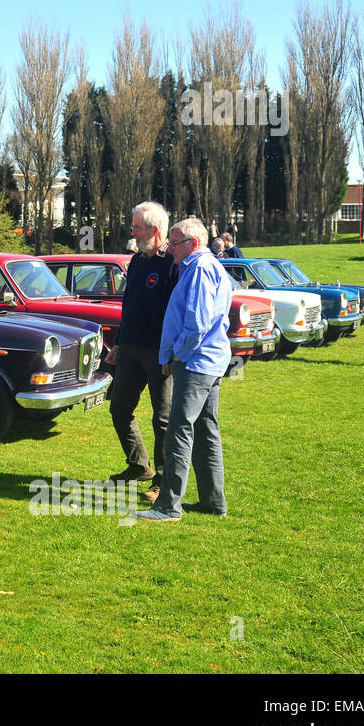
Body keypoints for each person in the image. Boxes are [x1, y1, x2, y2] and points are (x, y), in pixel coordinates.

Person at [138, 218, 233, 522]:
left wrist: (177, 355)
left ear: (193, 244)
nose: (169, 249)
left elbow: (197, 323)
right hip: (208, 362)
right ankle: (212, 502)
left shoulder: (201, 269)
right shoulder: (202, 267)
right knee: (206, 431)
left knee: (179, 430)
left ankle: (167, 506)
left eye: (175, 243)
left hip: (197, 363)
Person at [106, 202, 178, 501]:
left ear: (155, 231)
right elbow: (129, 307)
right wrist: (118, 344)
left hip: (159, 353)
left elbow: (175, 313)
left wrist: (169, 352)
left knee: (162, 419)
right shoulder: (136, 262)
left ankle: (162, 479)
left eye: (136, 227)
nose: (132, 232)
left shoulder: (172, 263)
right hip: (130, 349)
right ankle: (139, 465)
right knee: (119, 409)